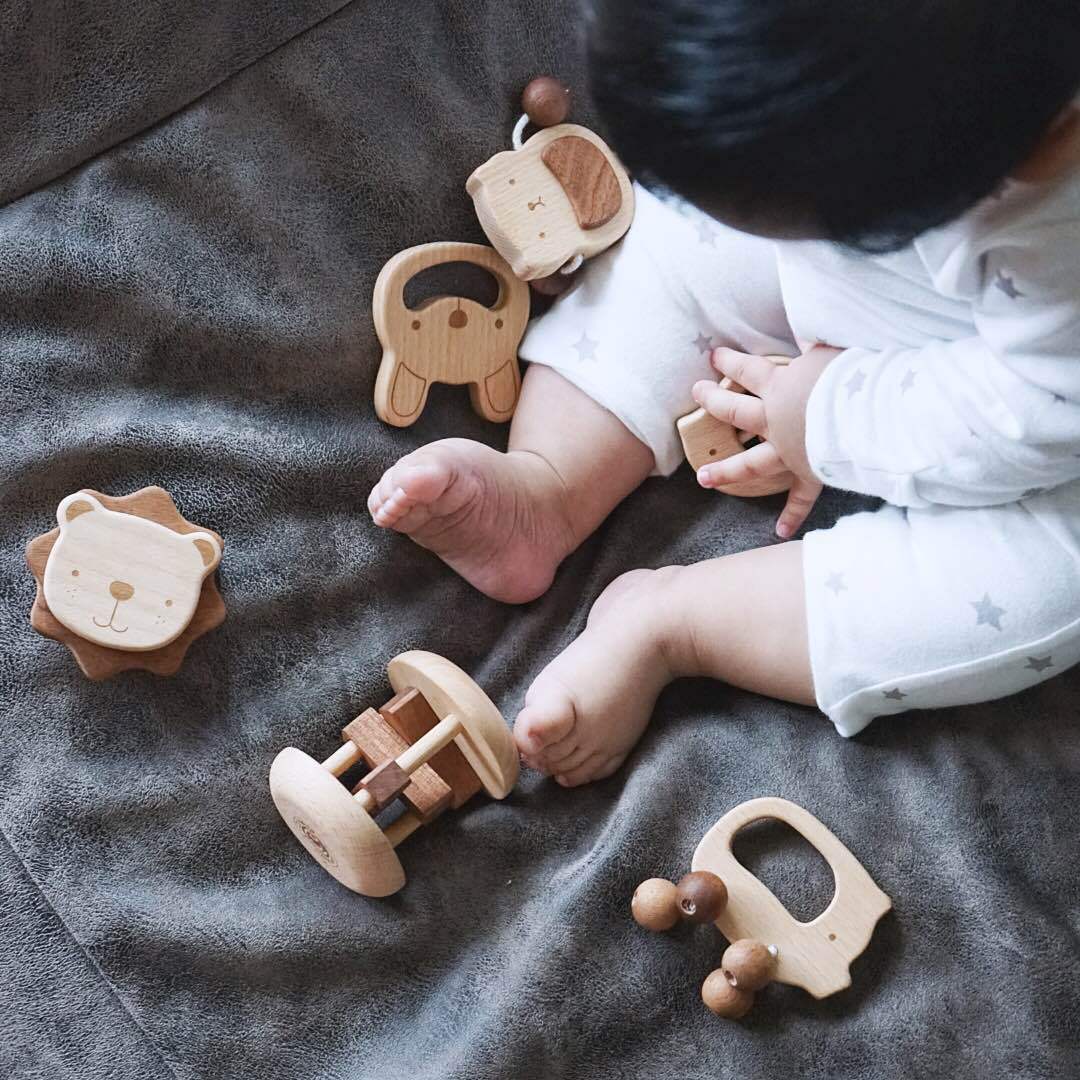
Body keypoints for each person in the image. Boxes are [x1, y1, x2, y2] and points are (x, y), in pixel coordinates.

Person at [369, 0, 1080, 785]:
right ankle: (551, 481)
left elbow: (1044, 408)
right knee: (688, 248)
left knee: (1052, 583)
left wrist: (831, 415)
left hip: (1044, 414)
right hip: (895, 201)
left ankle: (677, 622)